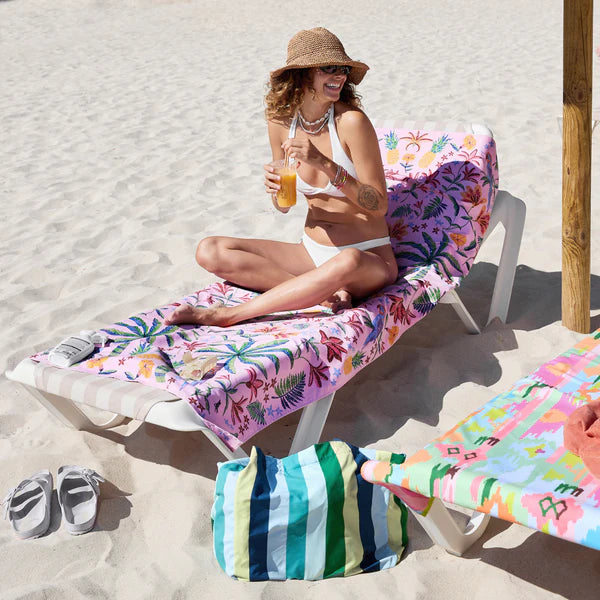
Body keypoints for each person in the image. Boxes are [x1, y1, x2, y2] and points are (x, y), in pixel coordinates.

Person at [165, 27, 397, 328]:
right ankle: (321, 294)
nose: (340, 75)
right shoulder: (280, 124)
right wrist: (275, 191)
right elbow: (283, 206)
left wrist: (325, 164)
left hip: (366, 256)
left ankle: (228, 315)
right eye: (329, 68)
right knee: (210, 250)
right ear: (302, 75)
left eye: (342, 68)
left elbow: (378, 205)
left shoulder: (351, 122)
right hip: (311, 252)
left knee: (348, 259)